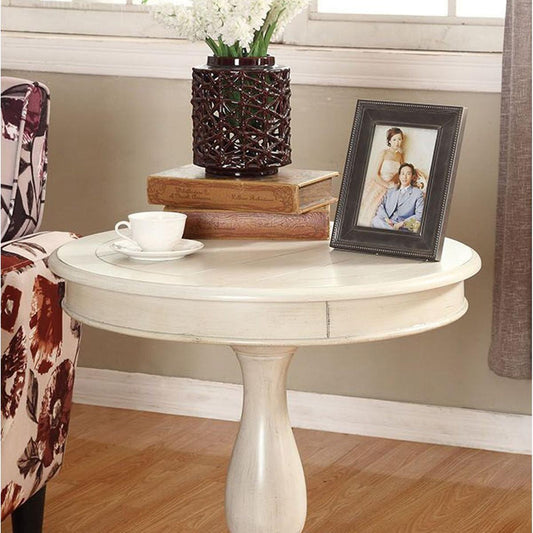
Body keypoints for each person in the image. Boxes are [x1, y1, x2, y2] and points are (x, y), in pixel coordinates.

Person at [357, 127, 404, 227]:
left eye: (399, 139)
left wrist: (395, 184)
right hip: (379, 183)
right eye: (394, 139)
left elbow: (400, 173)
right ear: (389, 141)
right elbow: (375, 174)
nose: (397, 142)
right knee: (373, 212)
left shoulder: (400, 156)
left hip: (392, 186)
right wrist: (387, 185)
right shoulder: (384, 153)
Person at [371, 163, 424, 232]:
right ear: (399, 176)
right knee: (376, 220)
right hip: (387, 222)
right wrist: (386, 219)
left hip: (402, 225)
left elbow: (420, 214)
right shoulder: (391, 191)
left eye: (408, 174)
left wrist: (402, 224)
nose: (404, 177)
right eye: (402, 174)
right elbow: (381, 206)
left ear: (412, 177)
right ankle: (393, 232)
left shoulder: (417, 193)